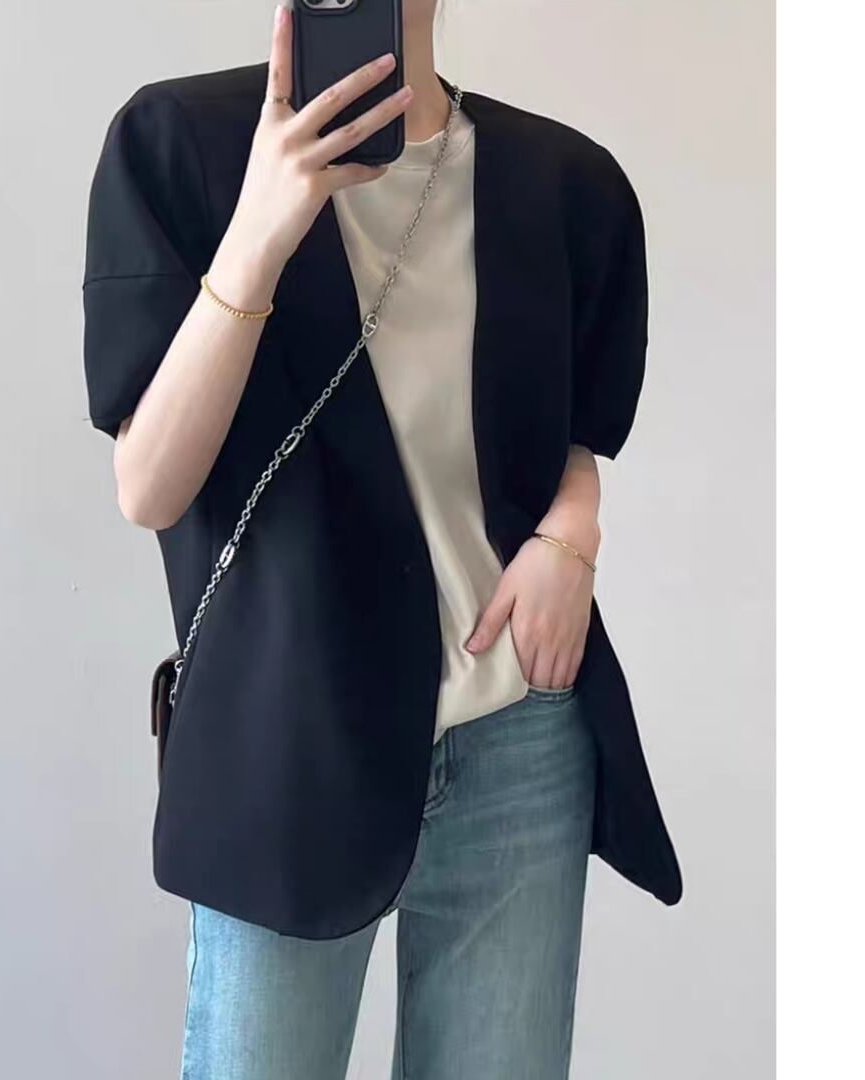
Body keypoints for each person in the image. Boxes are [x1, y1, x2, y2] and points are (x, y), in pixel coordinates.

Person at [83, 2, 681, 1076]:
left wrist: (572, 533)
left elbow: (574, 434)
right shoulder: (176, 145)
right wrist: (263, 227)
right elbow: (151, 486)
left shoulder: (565, 181)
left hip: (517, 734)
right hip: (293, 735)